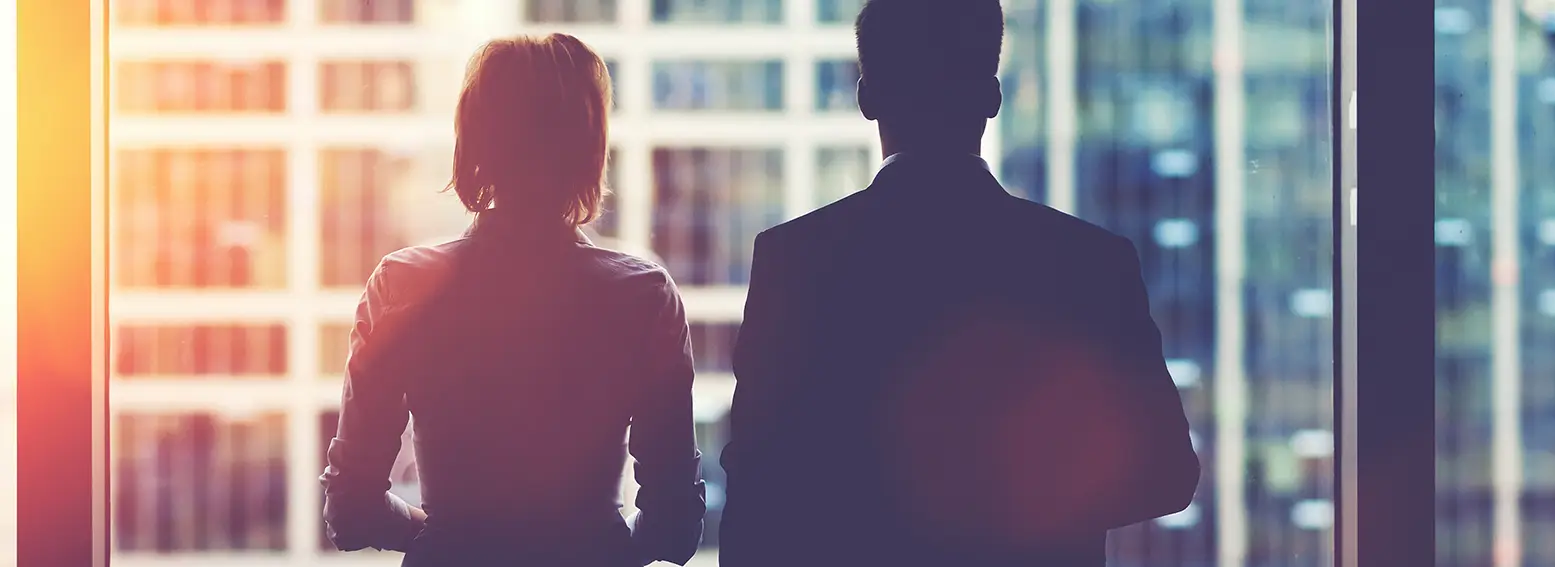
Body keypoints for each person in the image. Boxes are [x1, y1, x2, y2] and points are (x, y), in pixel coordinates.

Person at [717, 1, 1202, 566]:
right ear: (992, 98)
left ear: (866, 96)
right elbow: (1166, 472)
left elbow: (756, 496)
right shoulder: (1091, 263)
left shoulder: (792, 261)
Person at [319, 34, 706, 567]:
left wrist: (446, 537)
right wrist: (599, 544)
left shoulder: (404, 286)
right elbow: (675, 525)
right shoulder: (642, 297)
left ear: (473, 143)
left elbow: (351, 511)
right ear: (590, 148)